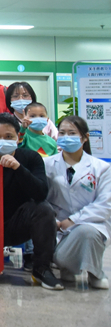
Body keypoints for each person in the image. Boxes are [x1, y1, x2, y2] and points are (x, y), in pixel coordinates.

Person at [0, 113, 62, 290]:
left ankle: (41, 269)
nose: (2, 140)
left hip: (19, 224)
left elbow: (41, 193)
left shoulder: (32, 158)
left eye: (8, 136)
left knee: (44, 210)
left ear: (18, 137)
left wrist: (18, 168)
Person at [46, 116, 110, 290]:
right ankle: (68, 267)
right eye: (62, 133)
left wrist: (73, 221)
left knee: (86, 231)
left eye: (72, 133)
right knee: (61, 255)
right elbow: (42, 198)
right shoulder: (47, 164)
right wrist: (54, 220)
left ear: (85, 137)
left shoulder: (102, 168)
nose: (66, 137)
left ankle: (95, 273)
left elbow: (105, 204)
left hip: (91, 223)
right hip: (57, 226)